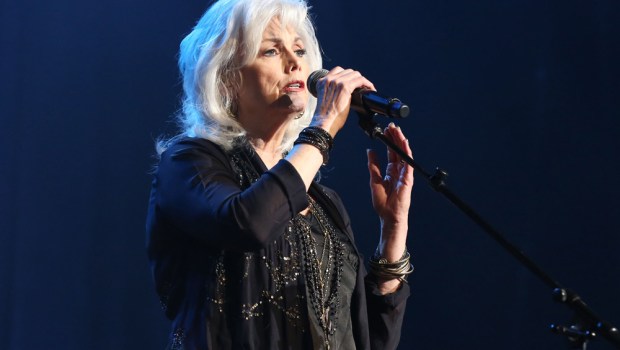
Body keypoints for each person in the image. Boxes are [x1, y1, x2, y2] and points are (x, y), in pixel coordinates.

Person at [146, 0, 414, 348]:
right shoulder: (189, 163)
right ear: (226, 75)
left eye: (300, 49)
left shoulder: (323, 204)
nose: (295, 63)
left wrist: (393, 231)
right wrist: (322, 130)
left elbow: (368, 341)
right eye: (272, 50)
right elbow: (246, 222)